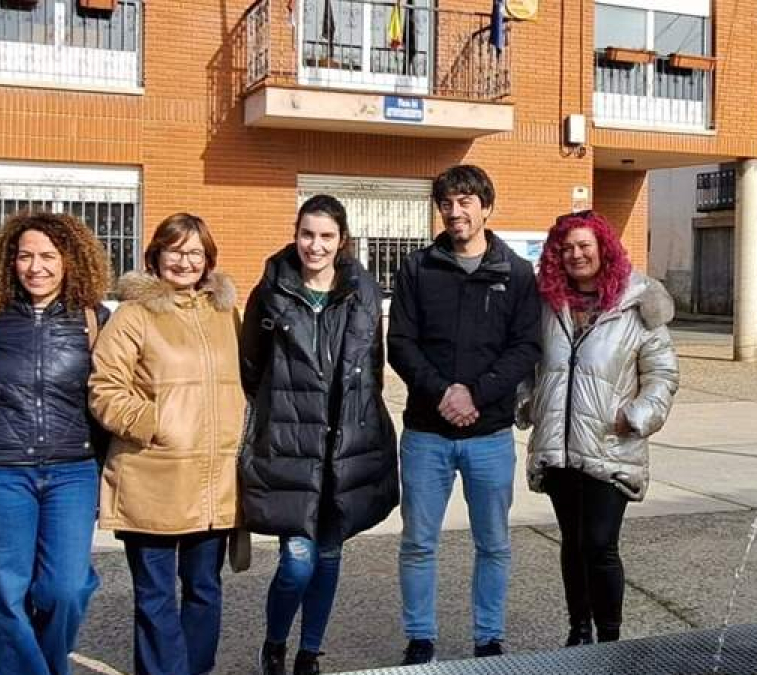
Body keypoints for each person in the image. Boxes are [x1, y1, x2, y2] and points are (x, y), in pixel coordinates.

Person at [387, 165, 541, 664]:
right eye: (447, 203)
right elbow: (401, 343)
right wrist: (443, 393)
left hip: (490, 435)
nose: (456, 211)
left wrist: (475, 394)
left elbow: (525, 347)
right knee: (418, 542)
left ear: (486, 207)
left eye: (466, 201)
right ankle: (420, 639)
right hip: (426, 434)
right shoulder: (416, 268)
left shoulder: (516, 273)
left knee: (493, 543)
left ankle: (488, 638)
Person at [240, 195, 399, 675]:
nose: (316, 245)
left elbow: (372, 366)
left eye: (326, 236)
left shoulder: (363, 291)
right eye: (307, 234)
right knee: (297, 563)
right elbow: (251, 368)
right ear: (295, 234)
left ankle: (309, 652)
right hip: (291, 447)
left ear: (342, 241)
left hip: (344, 449)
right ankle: (274, 644)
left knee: (328, 557)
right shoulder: (270, 293)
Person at [89, 213, 245, 675]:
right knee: (156, 596)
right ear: (155, 256)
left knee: (204, 590)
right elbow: (104, 387)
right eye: (174, 250)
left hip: (214, 479)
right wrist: (155, 422)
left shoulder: (224, 313)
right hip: (152, 472)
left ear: (208, 260)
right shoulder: (134, 315)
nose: (184, 261)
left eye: (194, 252)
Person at [520, 210, 679, 645]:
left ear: (603, 248)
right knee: (572, 543)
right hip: (558, 446)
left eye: (584, 245)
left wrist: (640, 415)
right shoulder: (546, 304)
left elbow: (662, 374)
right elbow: (526, 362)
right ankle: (578, 631)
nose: (576, 255)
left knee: (600, 543)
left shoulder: (637, 301)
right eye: (566, 248)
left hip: (611, 444)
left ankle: (610, 637)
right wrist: (527, 402)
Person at [0, 212, 112, 675]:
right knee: (6, 593)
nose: (36, 267)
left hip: (72, 471)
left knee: (64, 590)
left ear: (70, 261)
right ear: (10, 261)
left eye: (48, 256)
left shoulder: (94, 319)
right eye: (25, 256)